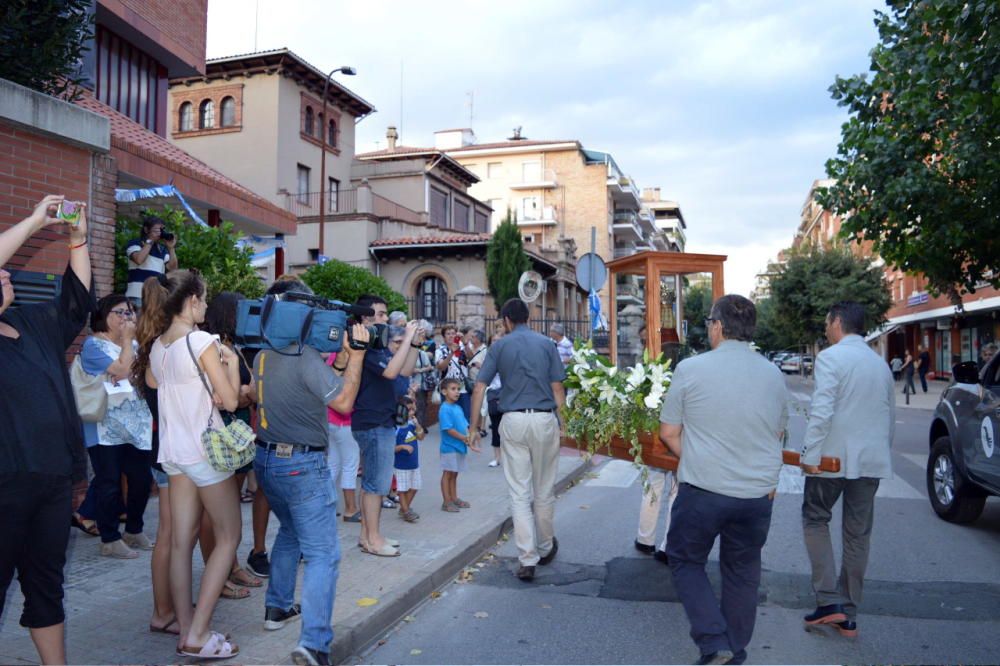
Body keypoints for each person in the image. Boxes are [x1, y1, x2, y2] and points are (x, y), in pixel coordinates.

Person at [659, 294, 787, 666]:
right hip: (756, 495)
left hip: (704, 490)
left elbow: (668, 433)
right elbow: (777, 435)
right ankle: (736, 648)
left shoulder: (692, 369)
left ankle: (714, 643)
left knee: (684, 559)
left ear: (716, 326)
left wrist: (701, 457)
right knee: (743, 570)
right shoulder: (774, 374)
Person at [250, 277, 369, 666]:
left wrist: (344, 357)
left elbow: (319, 382)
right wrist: (361, 357)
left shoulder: (263, 355)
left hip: (267, 462)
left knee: (290, 532)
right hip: (302, 467)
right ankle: (314, 644)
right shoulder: (304, 360)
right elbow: (345, 401)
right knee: (323, 555)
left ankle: (277, 607)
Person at [0, 195, 92, 665]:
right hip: (4, 487)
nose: (6, 272)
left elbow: (76, 302)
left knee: (45, 584)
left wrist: (77, 239)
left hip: (52, 482)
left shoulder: (28, 322)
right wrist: (36, 221)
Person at [138, 269, 243, 659]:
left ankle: (185, 628)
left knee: (181, 542)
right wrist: (229, 364)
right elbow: (231, 401)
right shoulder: (200, 340)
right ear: (192, 301)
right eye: (204, 297)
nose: (205, 304)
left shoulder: (159, 346)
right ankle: (198, 633)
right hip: (206, 452)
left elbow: (151, 383)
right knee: (228, 536)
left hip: (174, 453)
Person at [798, 301, 895, 640]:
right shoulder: (879, 364)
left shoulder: (831, 357)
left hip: (832, 460)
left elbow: (822, 409)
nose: (826, 329)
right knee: (858, 536)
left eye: (827, 323)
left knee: (815, 518)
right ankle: (848, 613)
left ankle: (827, 601)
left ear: (837, 322)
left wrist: (809, 452)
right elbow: (888, 415)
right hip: (871, 461)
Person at [469, 298, 566, 582]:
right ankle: (546, 546)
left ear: (508, 321)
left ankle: (527, 558)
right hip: (544, 418)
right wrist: (566, 422)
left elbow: (479, 387)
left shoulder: (499, 346)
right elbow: (557, 386)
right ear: (528, 318)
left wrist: (474, 427)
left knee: (519, 492)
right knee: (544, 488)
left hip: (512, 421)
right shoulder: (547, 344)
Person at [78, 295, 154, 559]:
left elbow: (146, 375)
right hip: (104, 427)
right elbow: (122, 370)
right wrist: (126, 342)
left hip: (137, 425)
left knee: (141, 480)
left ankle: (134, 529)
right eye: (120, 312)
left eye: (130, 313)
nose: (126, 318)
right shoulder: (93, 346)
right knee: (108, 482)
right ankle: (109, 538)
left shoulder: (134, 344)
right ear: (103, 315)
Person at [201, 291, 265, 596]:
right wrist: (241, 392)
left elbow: (249, 392)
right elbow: (229, 396)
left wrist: (242, 392)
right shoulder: (210, 345)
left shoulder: (234, 346)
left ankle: (232, 566)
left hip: (237, 431)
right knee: (214, 513)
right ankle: (219, 573)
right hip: (222, 433)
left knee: (230, 507)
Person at [351, 295, 422, 557]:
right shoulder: (367, 346)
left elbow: (404, 371)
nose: (385, 319)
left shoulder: (378, 347)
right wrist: (407, 337)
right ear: (365, 318)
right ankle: (373, 539)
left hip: (381, 421)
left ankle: (366, 535)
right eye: (381, 314)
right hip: (372, 422)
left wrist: (413, 342)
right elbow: (392, 372)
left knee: (374, 482)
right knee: (376, 485)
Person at [326, 353, 361, 523]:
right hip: (344, 421)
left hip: (328, 420)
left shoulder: (332, 358)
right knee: (350, 465)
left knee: (333, 464)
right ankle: (350, 509)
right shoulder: (351, 358)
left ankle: (328, 507)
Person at [439, 378, 478, 511]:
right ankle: (446, 501)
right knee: (448, 474)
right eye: (453, 389)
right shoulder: (444, 409)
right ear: (444, 391)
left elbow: (464, 425)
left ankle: (454, 498)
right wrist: (465, 438)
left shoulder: (458, 407)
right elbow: (448, 429)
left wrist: (471, 435)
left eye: (458, 389)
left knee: (454, 474)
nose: (457, 392)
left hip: (459, 447)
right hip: (449, 448)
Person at [125, 213, 177, 307]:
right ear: (146, 229)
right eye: (157, 230)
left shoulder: (162, 249)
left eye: (162, 230)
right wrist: (150, 241)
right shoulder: (135, 243)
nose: (159, 233)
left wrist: (171, 248)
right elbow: (139, 259)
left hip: (156, 298)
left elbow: (173, 269)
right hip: (137, 296)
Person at [393, 395, 425, 523]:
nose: (412, 412)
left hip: (414, 463)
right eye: (409, 410)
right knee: (402, 489)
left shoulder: (412, 424)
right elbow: (391, 448)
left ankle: (403, 508)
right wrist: (402, 446)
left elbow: (421, 437)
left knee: (415, 486)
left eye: (413, 410)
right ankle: (406, 511)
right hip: (401, 465)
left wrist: (417, 425)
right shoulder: (396, 428)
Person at [436, 324, 471, 418]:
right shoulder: (440, 350)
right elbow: (441, 367)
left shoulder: (463, 348)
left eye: (453, 333)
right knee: (449, 418)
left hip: (462, 389)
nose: (451, 336)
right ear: (443, 337)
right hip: (447, 391)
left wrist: (465, 343)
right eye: (448, 334)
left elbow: (471, 357)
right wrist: (451, 353)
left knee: (465, 418)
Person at [411, 319, 438, 428]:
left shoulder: (429, 344)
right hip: (413, 381)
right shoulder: (412, 345)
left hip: (422, 381)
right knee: (415, 404)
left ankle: (419, 427)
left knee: (421, 404)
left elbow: (430, 360)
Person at [485, 325, 505, 468]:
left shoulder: (508, 356)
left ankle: (509, 457)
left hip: (506, 393)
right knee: (495, 425)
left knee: (508, 427)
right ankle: (497, 457)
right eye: (494, 341)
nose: (496, 343)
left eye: (499, 340)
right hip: (493, 392)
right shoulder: (488, 357)